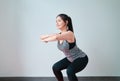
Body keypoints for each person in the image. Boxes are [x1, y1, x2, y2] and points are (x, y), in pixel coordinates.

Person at [40, 14, 89, 81]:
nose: (57, 23)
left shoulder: (70, 34)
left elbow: (56, 37)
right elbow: (42, 37)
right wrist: (47, 37)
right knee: (55, 67)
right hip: (70, 59)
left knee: (70, 71)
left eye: (59, 21)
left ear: (66, 22)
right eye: (56, 21)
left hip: (81, 58)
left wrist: (47, 39)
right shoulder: (59, 35)